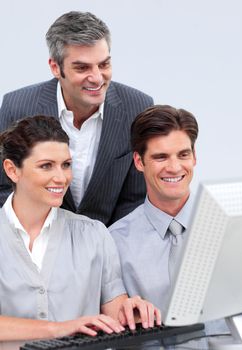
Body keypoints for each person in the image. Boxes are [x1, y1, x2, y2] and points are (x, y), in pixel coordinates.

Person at [0, 115, 161, 342]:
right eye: (46, 166)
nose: (61, 177)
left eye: (66, 165)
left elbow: (114, 311)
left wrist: (130, 310)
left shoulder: (94, 235)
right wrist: (57, 329)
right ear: (12, 170)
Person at [0, 11, 153, 226]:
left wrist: (104, 248)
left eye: (104, 64)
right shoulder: (17, 106)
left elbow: (135, 199)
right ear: (55, 67)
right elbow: (4, 190)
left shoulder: (138, 107)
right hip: (35, 247)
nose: (97, 78)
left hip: (110, 245)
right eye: (82, 68)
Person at [109, 105, 198, 319]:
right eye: (161, 157)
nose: (175, 167)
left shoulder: (232, 228)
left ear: (194, 157)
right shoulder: (114, 242)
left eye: (183, 154)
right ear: (139, 162)